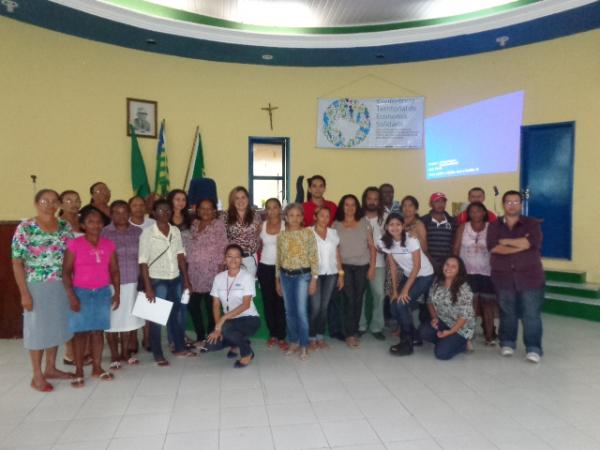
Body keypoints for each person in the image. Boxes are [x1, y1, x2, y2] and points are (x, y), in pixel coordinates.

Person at [11, 189, 74, 392]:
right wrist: (24, 293)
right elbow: (17, 262)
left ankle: (51, 368)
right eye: (45, 200)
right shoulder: (26, 227)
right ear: (37, 203)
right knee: (37, 330)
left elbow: (71, 257)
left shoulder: (64, 227)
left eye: (54, 201)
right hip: (36, 285)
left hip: (60, 284)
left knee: (54, 326)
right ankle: (37, 375)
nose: (50, 204)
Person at [63, 207, 120, 387]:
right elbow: (65, 272)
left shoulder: (108, 244)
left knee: (98, 331)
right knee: (81, 333)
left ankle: (97, 367)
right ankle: (79, 370)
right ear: (82, 225)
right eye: (90, 222)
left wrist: (117, 292)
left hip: (102, 292)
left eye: (98, 222)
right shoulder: (75, 244)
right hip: (81, 292)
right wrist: (72, 296)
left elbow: (114, 270)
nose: (95, 225)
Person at [487, 190, 545, 363]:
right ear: (503, 205)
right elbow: (494, 247)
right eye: (508, 202)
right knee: (507, 312)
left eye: (515, 202)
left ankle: (534, 348)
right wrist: (522, 244)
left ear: (521, 204)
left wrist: (506, 241)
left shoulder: (532, 224)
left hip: (530, 277)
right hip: (503, 277)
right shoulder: (494, 225)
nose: (512, 205)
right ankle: (507, 343)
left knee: (531, 314)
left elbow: (532, 243)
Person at [139, 199, 196, 366]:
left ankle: (179, 348)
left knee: (176, 315)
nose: (165, 214)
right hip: (158, 281)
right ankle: (158, 353)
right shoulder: (147, 233)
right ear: (154, 213)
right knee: (157, 318)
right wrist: (148, 287)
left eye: (168, 211)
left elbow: (180, 256)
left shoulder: (175, 231)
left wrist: (186, 280)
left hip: (176, 278)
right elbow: (143, 262)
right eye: (161, 211)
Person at [378, 213, 435, 356]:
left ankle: (407, 342)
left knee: (402, 304)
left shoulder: (411, 240)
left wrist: (405, 290)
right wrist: (395, 290)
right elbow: (392, 266)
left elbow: (417, 266)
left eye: (398, 224)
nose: (395, 227)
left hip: (424, 274)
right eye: (391, 224)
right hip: (409, 275)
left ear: (403, 226)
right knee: (393, 304)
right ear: (386, 227)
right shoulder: (385, 242)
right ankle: (415, 337)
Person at [102, 200, 145, 367]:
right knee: (112, 319)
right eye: (117, 212)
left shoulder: (138, 232)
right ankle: (114, 356)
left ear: (129, 213)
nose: (121, 215)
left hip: (133, 281)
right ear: (111, 215)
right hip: (111, 283)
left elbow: (143, 257)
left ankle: (126, 353)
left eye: (124, 212)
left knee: (129, 319)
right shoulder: (104, 233)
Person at [206, 244, 261, 368]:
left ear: (241, 259)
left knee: (226, 327)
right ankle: (237, 343)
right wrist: (217, 328)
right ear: (225, 259)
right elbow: (215, 305)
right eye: (230, 256)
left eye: (237, 257)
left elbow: (246, 305)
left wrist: (222, 321)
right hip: (230, 322)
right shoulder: (218, 278)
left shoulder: (247, 277)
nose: (233, 260)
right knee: (211, 344)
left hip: (249, 319)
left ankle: (247, 353)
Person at [276, 203, 319, 360]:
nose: (294, 218)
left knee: (301, 312)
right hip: (285, 277)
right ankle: (293, 341)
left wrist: (314, 279)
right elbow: (278, 259)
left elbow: (314, 257)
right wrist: (277, 280)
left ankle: (304, 345)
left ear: (302, 218)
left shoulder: (308, 234)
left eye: (298, 215)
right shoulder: (281, 236)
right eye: (291, 215)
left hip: (303, 277)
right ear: (286, 217)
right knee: (289, 312)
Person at [333, 194, 376, 349]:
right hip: (344, 267)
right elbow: (335, 250)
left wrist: (372, 267)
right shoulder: (336, 224)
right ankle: (350, 334)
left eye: (353, 205)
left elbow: (372, 246)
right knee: (349, 300)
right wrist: (340, 272)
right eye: (346, 204)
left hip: (362, 266)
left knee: (358, 300)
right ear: (342, 206)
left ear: (357, 207)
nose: (350, 208)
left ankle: (354, 331)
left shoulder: (364, 222)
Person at [183, 198, 228, 345]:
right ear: (197, 210)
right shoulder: (194, 224)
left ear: (214, 211)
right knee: (193, 305)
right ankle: (200, 335)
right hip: (194, 272)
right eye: (202, 208)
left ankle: (211, 336)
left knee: (211, 306)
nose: (206, 211)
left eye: (209, 208)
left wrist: (221, 273)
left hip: (212, 272)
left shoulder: (218, 224)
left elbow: (223, 247)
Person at [454, 202, 498, 345]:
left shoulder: (491, 228)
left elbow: (497, 248)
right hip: (467, 273)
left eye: (478, 211)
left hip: (487, 272)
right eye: (472, 211)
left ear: (484, 212)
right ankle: (469, 334)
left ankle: (490, 336)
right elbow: (455, 249)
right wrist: (456, 270)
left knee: (488, 304)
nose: (475, 214)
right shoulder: (463, 227)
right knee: (470, 305)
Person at [418, 256, 475, 360]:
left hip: (461, 328)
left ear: (458, 271)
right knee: (423, 331)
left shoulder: (464, 288)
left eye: (453, 267)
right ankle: (447, 341)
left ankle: (463, 343)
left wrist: (450, 332)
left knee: (441, 354)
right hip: (443, 321)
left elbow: (464, 316)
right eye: (447, 264)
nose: (449, 268)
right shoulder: (437, 282)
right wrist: (434, 318)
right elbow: (430, 301)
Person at [59, 190, 91, 367]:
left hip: (86, 274)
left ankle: (84, 351)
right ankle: (70, 353)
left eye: (77, 199)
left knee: (83, 313)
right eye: (68, 200)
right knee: (70, 313)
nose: (74, 203)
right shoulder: (58, 224)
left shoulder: (83, 222)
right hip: (67, 274)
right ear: (61, 204)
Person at [310, 206, 343, 349]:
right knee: (315, 307)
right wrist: (311, 278)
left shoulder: (333, 233)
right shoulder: (307, 233)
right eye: (321, 215)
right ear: (315, 217)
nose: (324, 218)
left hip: (331, 274)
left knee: (324, 307)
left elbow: (337, 254)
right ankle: (310, 337)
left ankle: (320, 336)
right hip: (314, 276)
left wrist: (341, 275)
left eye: (327, 216)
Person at [257, 198, 288, 350]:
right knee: (268, 302)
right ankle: (273, 335)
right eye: (268, 208)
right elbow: (257, 246)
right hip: (264, 267)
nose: (272, 210)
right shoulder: (261, 226)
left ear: (280, 209)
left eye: (275, 207)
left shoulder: (286, 226)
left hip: (282, 268)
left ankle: (282, 336)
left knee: (281, 302)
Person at [359, 187, 387, 340]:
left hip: (379, 264)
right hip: (360, 262)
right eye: (369, 199)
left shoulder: (386, 217)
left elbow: (392, 239)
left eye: (376, 199)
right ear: (365, 200)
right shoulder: (358, 217)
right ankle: (361, 326)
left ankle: (377, 327)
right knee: (360, 295)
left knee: (379, 295)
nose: (372, 202)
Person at [223, 186, 262, 277]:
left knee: (248, 287)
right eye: (237, 198)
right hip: (232, 258)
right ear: (232, 201)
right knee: (232, 288)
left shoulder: (255, 215)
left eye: (243, 197)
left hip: (250, 258)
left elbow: (258, 235)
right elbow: (222, 238)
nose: (240, 201)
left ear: (248, 199)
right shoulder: (225, 216)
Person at [421, 192, 457, 271]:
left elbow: (454, 243)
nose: (440, 204)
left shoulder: (452, 221)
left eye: (442, 201)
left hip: (447, 264)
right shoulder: (423, 221)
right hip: (427, 262)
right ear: (431, 204)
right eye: (436, 201)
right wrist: (432, 262)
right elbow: (421, 244)